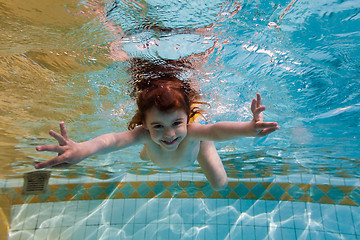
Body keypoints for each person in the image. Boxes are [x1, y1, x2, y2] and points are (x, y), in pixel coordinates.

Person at [35, 58, 279, 190]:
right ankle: (153, 147)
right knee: (148, 151)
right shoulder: (142, 133)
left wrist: (248, 129)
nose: (170, 134)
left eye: (176, 123)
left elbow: (217, 129)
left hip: (196, 143)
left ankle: (206, 145)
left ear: (187, 117)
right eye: (158, 126)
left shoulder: (191, 131)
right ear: (144, 124)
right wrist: (83, 150)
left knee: (220, 184)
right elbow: (112, 140)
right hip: (154, 145)